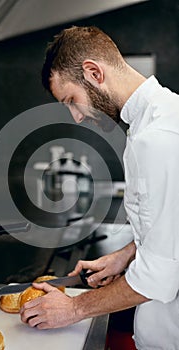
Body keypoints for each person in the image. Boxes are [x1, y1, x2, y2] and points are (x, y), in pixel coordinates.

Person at [20, 26, 179, 349]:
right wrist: (127, 254)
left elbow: (159, 279)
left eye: (72, 101)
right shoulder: (159, 118)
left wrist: (74, 308)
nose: (76, 117)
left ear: (94, 72)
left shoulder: (158, 138)